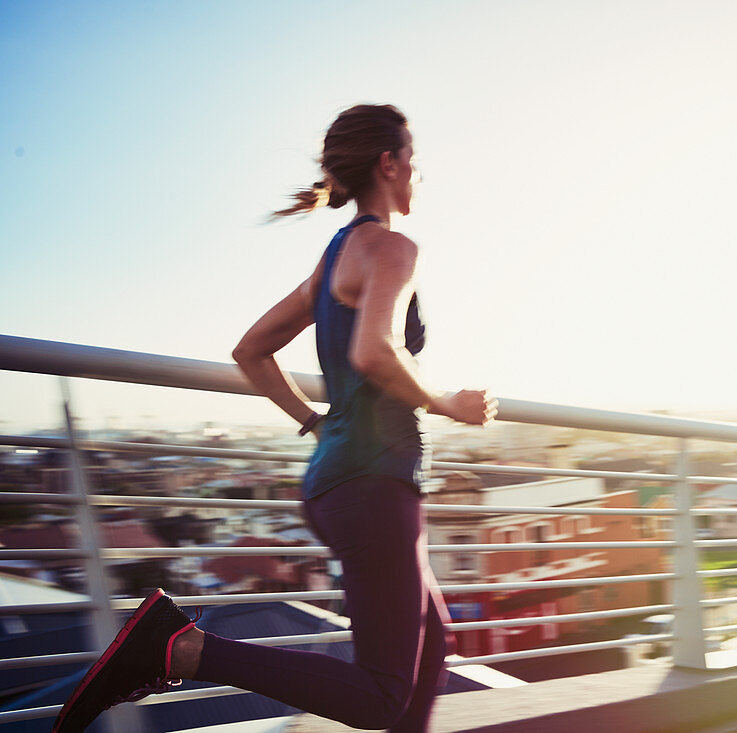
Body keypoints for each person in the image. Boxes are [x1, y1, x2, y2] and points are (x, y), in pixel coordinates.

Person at [53, 103, 497, 732]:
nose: (419, 173)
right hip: (374, 486)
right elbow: (374, 350)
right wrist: (446, 402)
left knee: (431, 651)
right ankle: (182, 647)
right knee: (383, 696)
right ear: (389, 163)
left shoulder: (336, 256)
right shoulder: (392, 247)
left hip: (344, 477)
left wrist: (315, 424)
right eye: (414, 160)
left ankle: (181, 645)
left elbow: (251, 351)